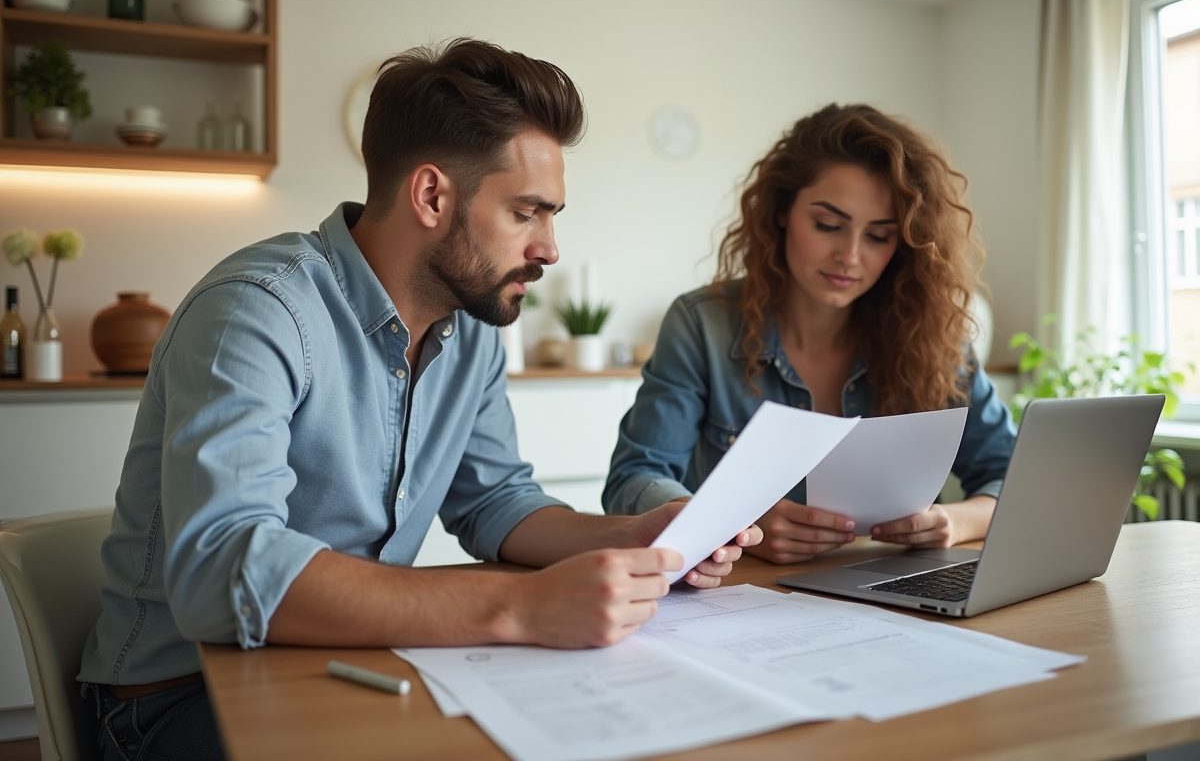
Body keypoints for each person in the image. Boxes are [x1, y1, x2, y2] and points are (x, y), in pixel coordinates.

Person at [78, 38, 761, 761]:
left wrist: (634, 535)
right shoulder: (257, 309)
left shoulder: (471, 331)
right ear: (432, 196)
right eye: (527, 213)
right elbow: (221, 573)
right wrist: (521, 606)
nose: (550, 248)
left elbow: (495, 502)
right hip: (179, 698)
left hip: (353, 662)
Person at [603, 103, 1016, 565]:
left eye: (879, 236)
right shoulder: (702, 325)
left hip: (891, 589)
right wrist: (736, 525)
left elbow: (1015, 475)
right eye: (828, 225)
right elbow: (633, 481)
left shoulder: (931, 333)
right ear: (781, 210)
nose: (850, 256)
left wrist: (956, 522)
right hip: (743, 593)